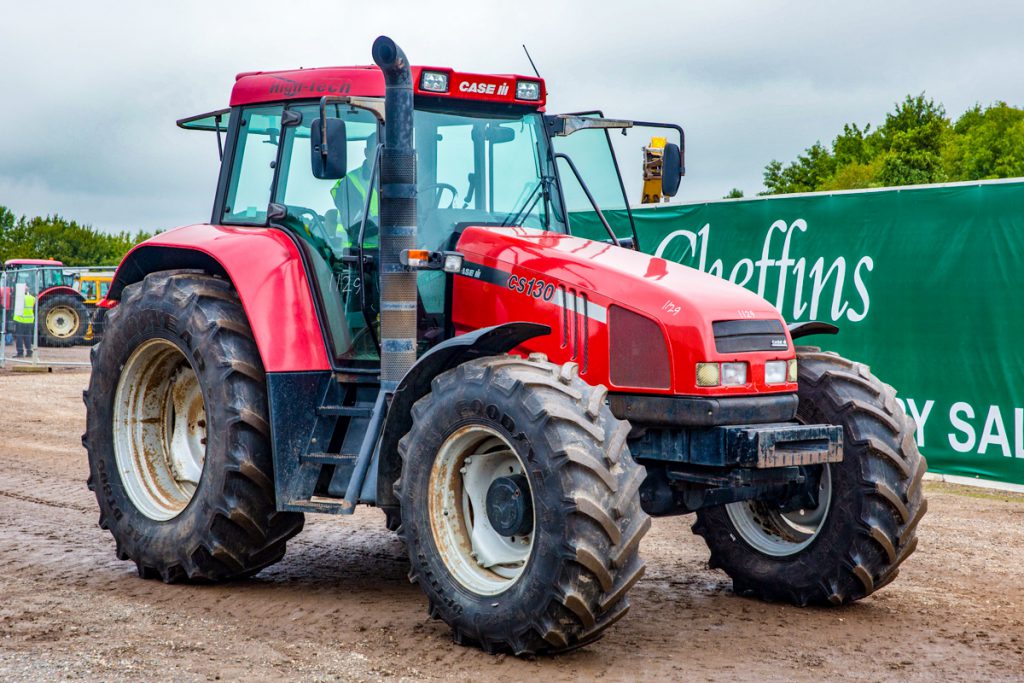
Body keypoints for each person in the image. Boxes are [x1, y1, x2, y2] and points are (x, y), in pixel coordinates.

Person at [330, 131, 379, 246]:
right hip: (359, 255)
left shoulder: (400, 182)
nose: (382, 156)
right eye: (377, 152)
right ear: (366, 153)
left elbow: (418, 218)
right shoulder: (351, 182)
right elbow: (356, 226)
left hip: (398, 253)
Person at [12, 287, 35, 358]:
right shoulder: (32, 298)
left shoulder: (20, 299)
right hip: (29, 320)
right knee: (28, 337)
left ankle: (20, 352)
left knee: (19, 337)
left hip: (20, 320)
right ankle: (29, 352)